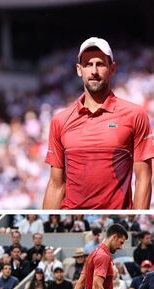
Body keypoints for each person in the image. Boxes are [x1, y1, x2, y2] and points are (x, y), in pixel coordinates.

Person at [43, 37, 154, 209]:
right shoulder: (60, 121)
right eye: (88, 64)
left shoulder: (135, 115)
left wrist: (136, 219)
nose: (94, 71)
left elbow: (144, 178)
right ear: (79, 70)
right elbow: (56, 185)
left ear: (112, 69)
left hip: (117, 219)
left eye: (100, 64)